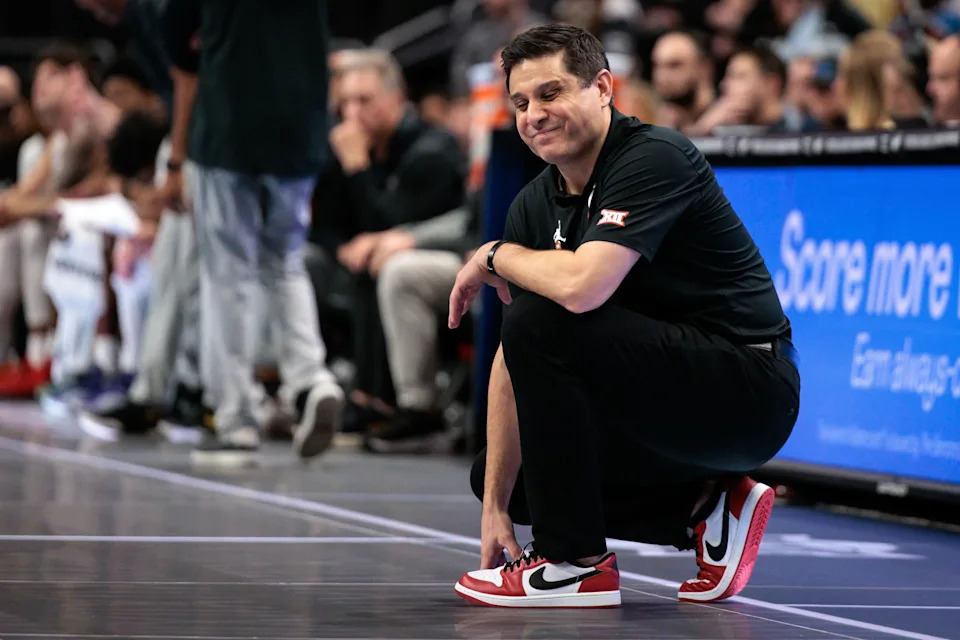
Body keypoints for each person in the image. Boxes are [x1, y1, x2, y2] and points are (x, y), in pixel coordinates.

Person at [447, 24, 800, 608]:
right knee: (510, 476)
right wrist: (494, 507)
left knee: (546, 316)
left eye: (551, 93)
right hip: (656, 392)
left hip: (747, 390)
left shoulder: (654, 156)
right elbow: (515, 352)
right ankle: (704, 510)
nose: (534, 114)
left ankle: (574, 564)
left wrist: (492, 255)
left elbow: (583, 288)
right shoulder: (534, 203)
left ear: (604, 88)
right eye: (521, 102)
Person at [163, 0, 345, 465]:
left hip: (228, 122)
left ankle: (236, 421)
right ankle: (311, 381)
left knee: (227, 275)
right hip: (298, 127)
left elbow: (178, 40)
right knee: (285, 263)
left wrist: (177, 156)